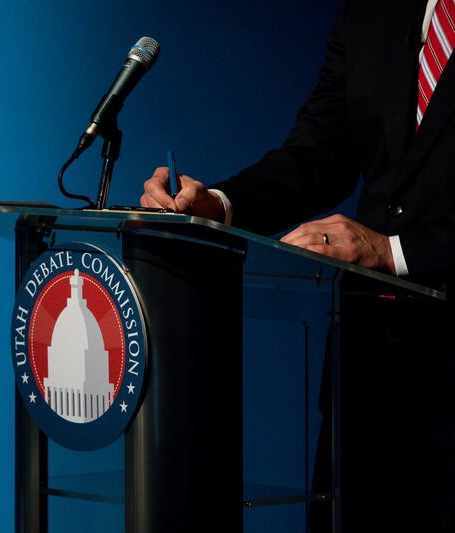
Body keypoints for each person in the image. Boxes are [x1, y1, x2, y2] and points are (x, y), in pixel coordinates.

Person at [141, 1, 455, 531]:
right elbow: (317, 156)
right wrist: (217, 204)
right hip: (370, 380)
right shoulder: (370, 12)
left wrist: (395, 252)